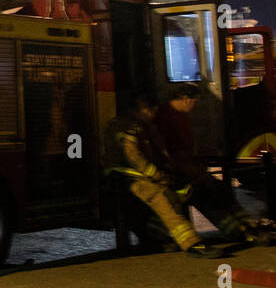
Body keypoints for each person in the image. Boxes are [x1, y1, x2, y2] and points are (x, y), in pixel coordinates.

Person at [103, 94, 223, 258]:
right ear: (138, 110)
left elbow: (156, 154)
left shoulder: (140, 125)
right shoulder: (126, 126)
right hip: (126, 178)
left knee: (186, 191)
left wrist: (171, 171)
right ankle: (193, 244)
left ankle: (154, 236)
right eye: (149, 110)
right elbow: (134, 157)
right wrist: (158, 176)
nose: (152, 114)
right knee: (163, 197)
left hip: (139, 176)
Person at [155, 82, 273, 247]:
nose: (195, 106)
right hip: (180, 172)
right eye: (194, 101)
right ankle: (240, 231)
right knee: (210, 195)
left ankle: (245, 227)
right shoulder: (166, 117)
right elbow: (170, 150)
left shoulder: (177, 115)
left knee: (219, 191)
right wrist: (191, 169)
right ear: (184, 99)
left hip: (187, 168)